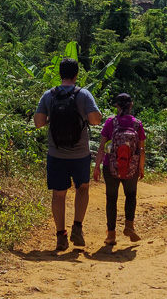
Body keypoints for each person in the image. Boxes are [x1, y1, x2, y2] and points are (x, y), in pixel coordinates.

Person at [34, 57, 102, 251]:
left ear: (60, 74)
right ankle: (77, 228)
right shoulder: (84, 94)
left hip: (56, 154)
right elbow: (96, 120)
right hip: (80, 154)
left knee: (59, 194)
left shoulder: (49, 95)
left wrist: (52, 119)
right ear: (76, 74)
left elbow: (38, 123)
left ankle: (60, 236)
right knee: (83, 188)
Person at [93, 92, 145, 245]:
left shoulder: (111, 122)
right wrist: (141, 167)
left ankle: (111, 235)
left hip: (111, 167)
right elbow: (141, 149)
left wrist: (97, 166)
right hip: (131, 167)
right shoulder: (137, 124)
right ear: (131, 105)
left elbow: (102, 147)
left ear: (117, 106)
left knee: (111, 199)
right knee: (131, 195)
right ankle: (129, 226)